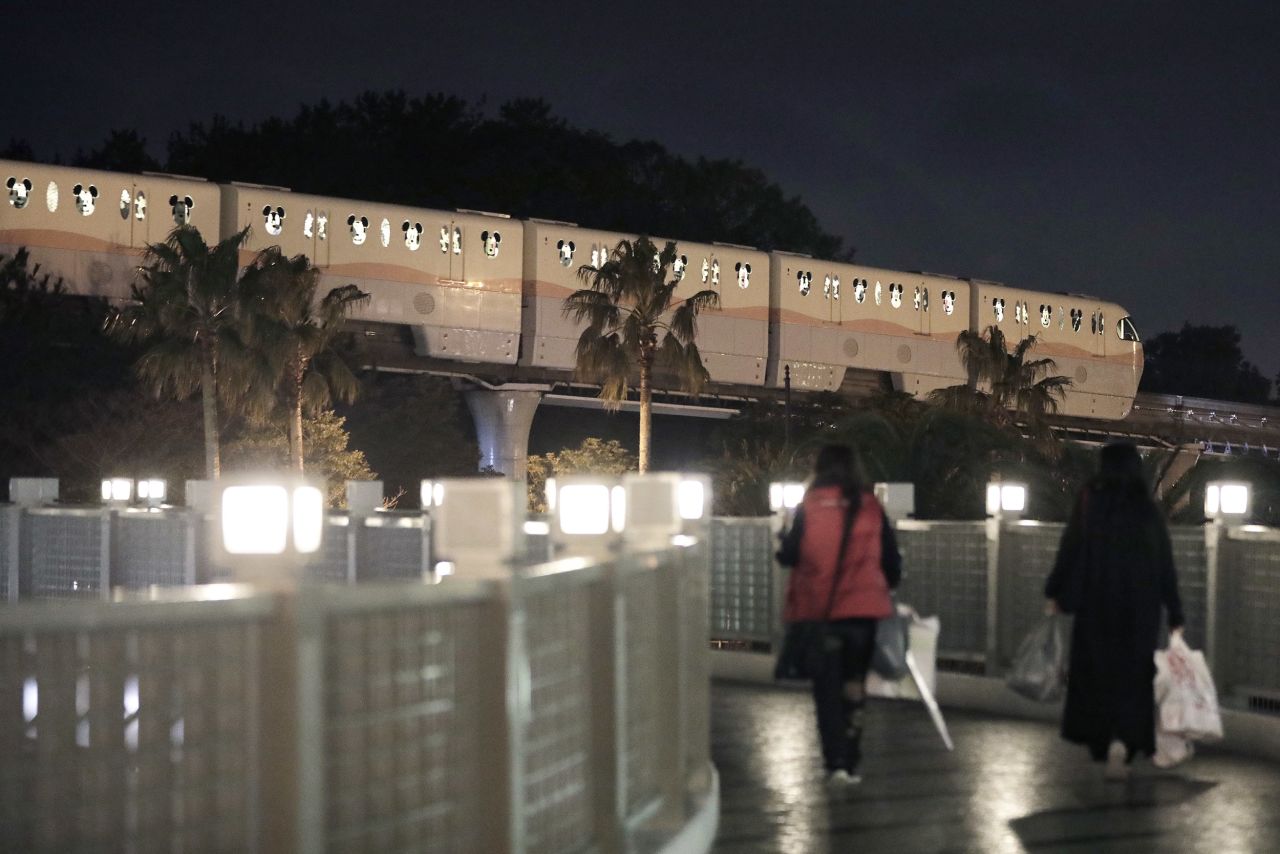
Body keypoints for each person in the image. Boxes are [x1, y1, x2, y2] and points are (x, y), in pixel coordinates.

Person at [1044, 442, 1184, 780]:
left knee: (1095, 674)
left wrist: (1054, 591)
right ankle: (1132, 739)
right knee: (1134, 677)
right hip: (1141, 611)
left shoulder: (1091, 499)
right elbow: (1165, 563)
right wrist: (1175, 612)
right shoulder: (1146, 509)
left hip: (1097, 604)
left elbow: (1072, 545)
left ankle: (1099, 739)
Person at [777, 444, 901, 784]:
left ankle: (836, 763)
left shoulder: (810, 505)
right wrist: (882, 585)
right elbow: (891, 562)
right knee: (854, 684)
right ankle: (852, 752)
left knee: (826, 688)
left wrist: (784, 537)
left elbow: (789, 556)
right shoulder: (870, 506)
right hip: (863, 613)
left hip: (821, 611)